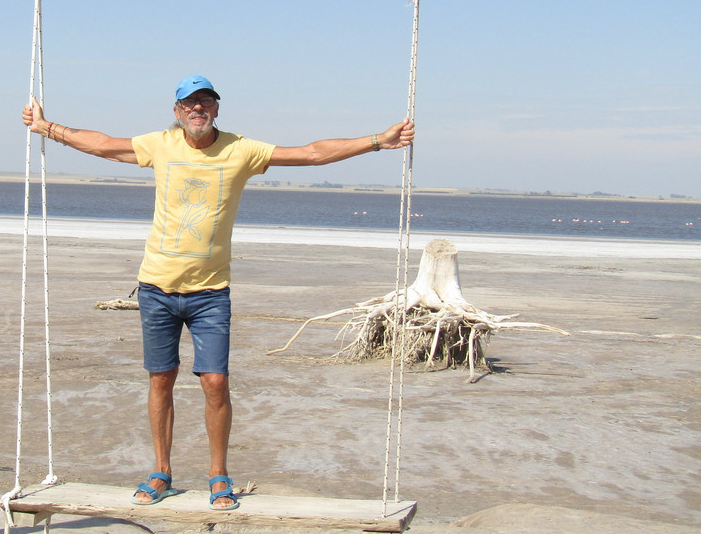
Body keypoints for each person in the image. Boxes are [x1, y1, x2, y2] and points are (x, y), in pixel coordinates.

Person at [21, 75, 414, 511]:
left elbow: (310, 153)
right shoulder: (159, 144)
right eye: (189, 103)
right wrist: (47, 127)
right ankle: (161, 471)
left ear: (216, 109)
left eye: (205, 101)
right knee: (160, 380)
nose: (197, 109)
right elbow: (101, 144)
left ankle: (218, 475)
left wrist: (379, 140)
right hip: (156, 288)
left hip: (211, 293)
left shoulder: (240, 149)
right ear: (176, 111)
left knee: (215, 382)